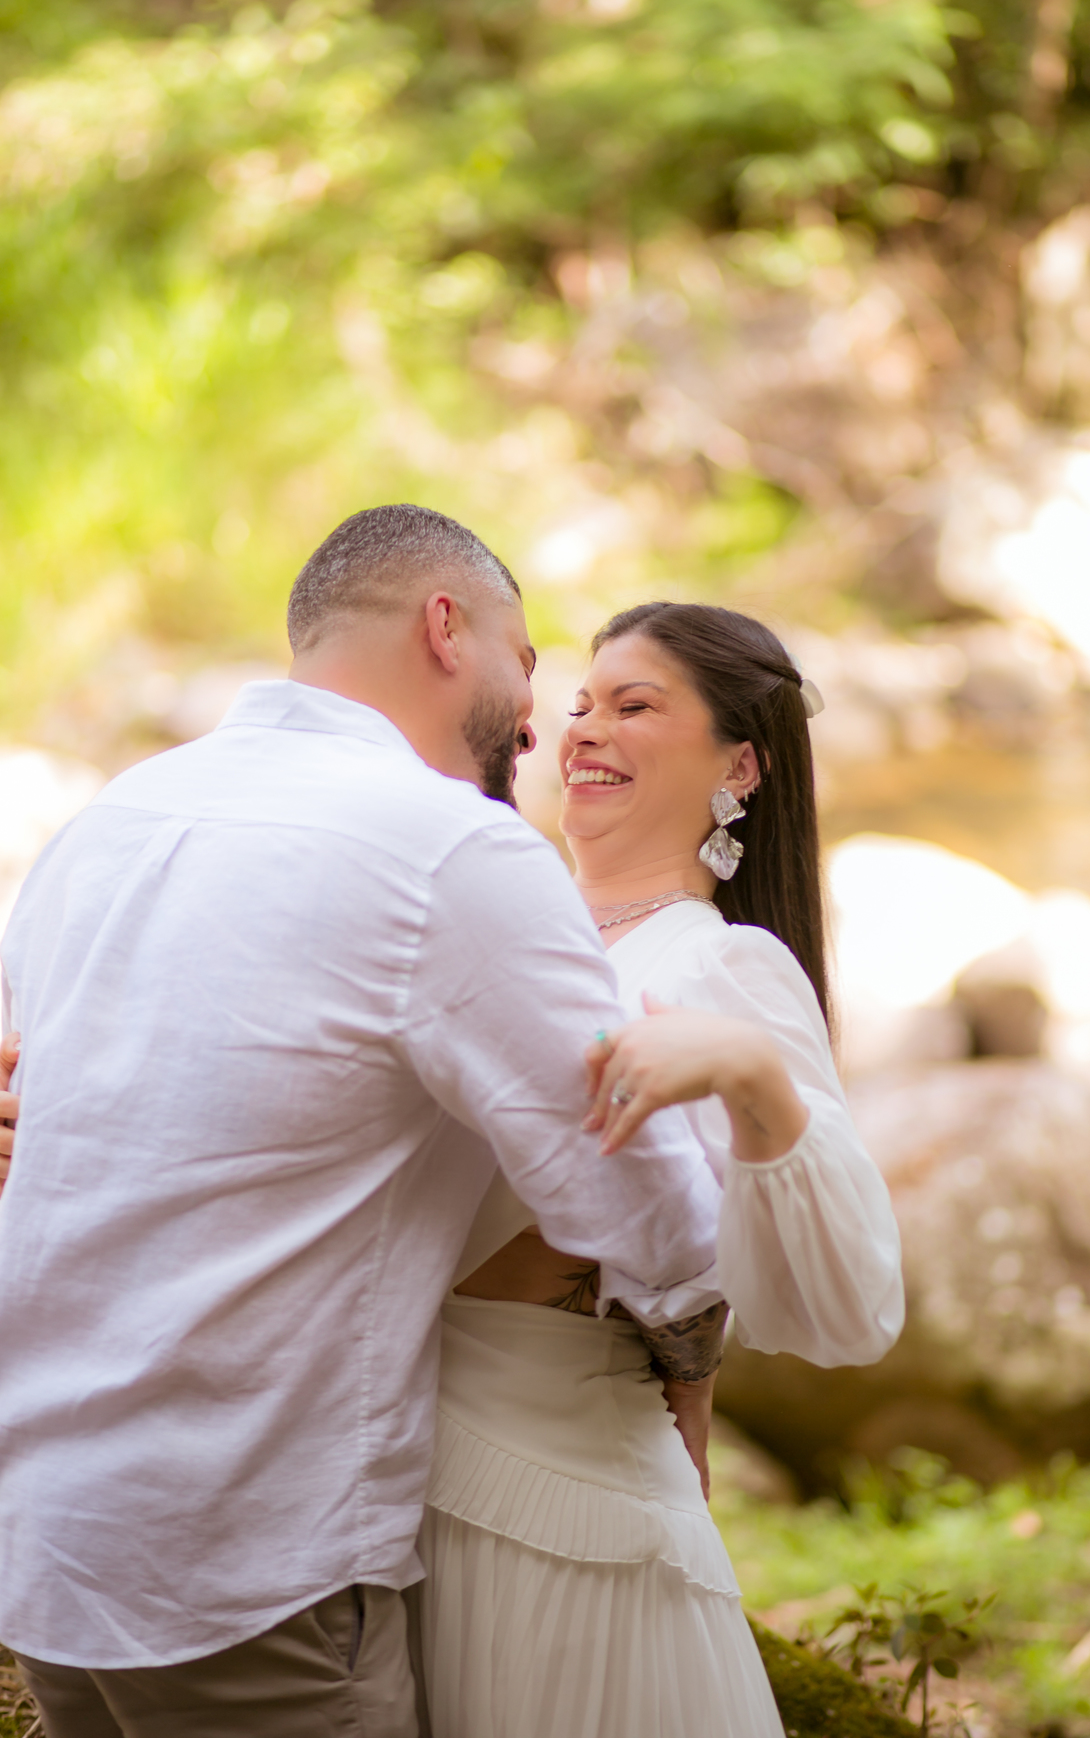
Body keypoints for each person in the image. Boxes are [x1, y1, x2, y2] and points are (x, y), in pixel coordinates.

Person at [0, 507, 729, 1738]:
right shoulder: (451, 851)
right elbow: (645, 1212)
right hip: (253, 1567)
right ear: (446, 629)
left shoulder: (109, 823)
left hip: (52, 1544)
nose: (538, 720)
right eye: (527, 662)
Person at [416, 601, 904, 1738]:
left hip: (562, 1493)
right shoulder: (502, 923)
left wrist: (752, 1075)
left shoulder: (723, 965)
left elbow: (851, 1309)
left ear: (740, 764)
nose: (584, 729)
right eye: (581, 702)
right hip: (402, 1468)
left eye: (636, 707)